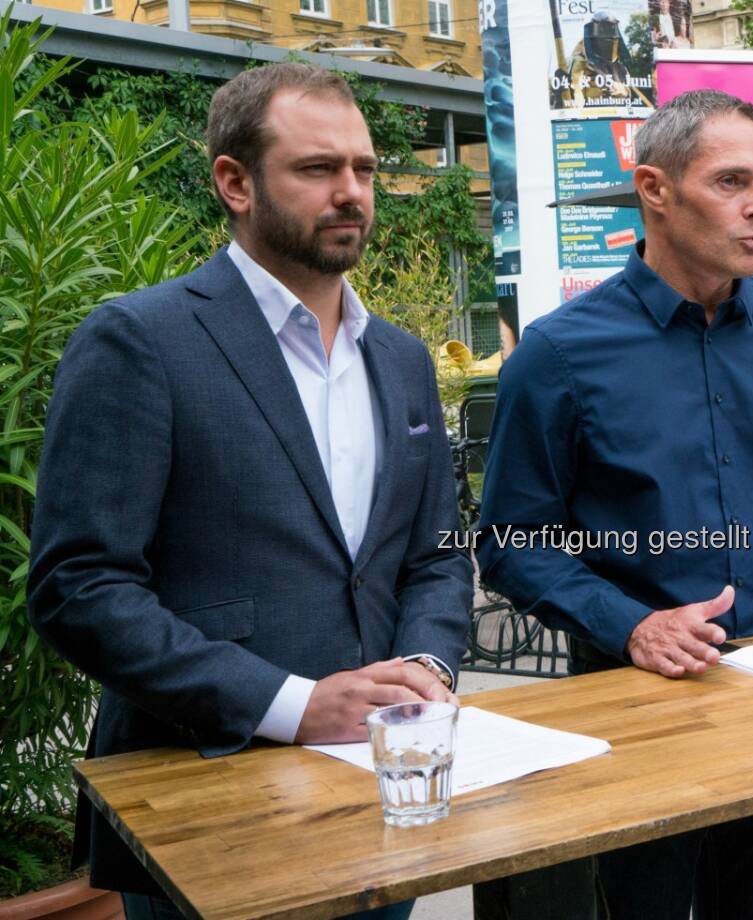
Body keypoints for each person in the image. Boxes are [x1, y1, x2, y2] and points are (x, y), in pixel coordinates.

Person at [27, 63, 473, 920]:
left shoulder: (405, 359)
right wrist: (296, 706)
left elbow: (434, 555)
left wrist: (423, 669)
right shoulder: (140, 341)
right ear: (234, 181)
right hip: (206, 803)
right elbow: (79, 586)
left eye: (366, 170)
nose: (351, 193)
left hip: (386, 793)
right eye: (317, 169)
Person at [476, 89, 753, 920]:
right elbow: (510, 542)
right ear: (655, 189)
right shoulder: (559, 352)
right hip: (628, 702)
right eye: (731, 183)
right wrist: (631, 625)